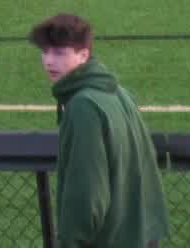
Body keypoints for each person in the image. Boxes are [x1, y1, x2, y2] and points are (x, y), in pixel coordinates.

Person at [29, 14, 170, 248]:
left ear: (84, 54)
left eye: (60, 53)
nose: (49, 62)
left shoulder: (83, 105)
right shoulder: (118, 92)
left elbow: (87, 190)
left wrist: (70, 241)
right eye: (45, 51)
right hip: (142, 233)